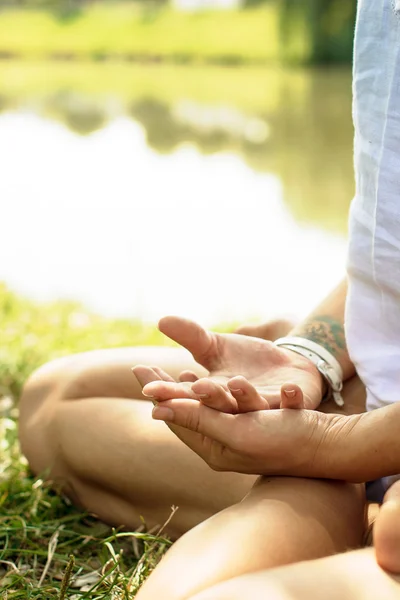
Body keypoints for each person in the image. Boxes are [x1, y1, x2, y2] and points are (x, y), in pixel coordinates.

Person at [18, 0, 400, 598]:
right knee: (56, 400)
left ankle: (341, 514)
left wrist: (330, 445)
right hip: (371, 415)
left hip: (371, 446)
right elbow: (388, 245)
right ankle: (338, 505)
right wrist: (311, 355)